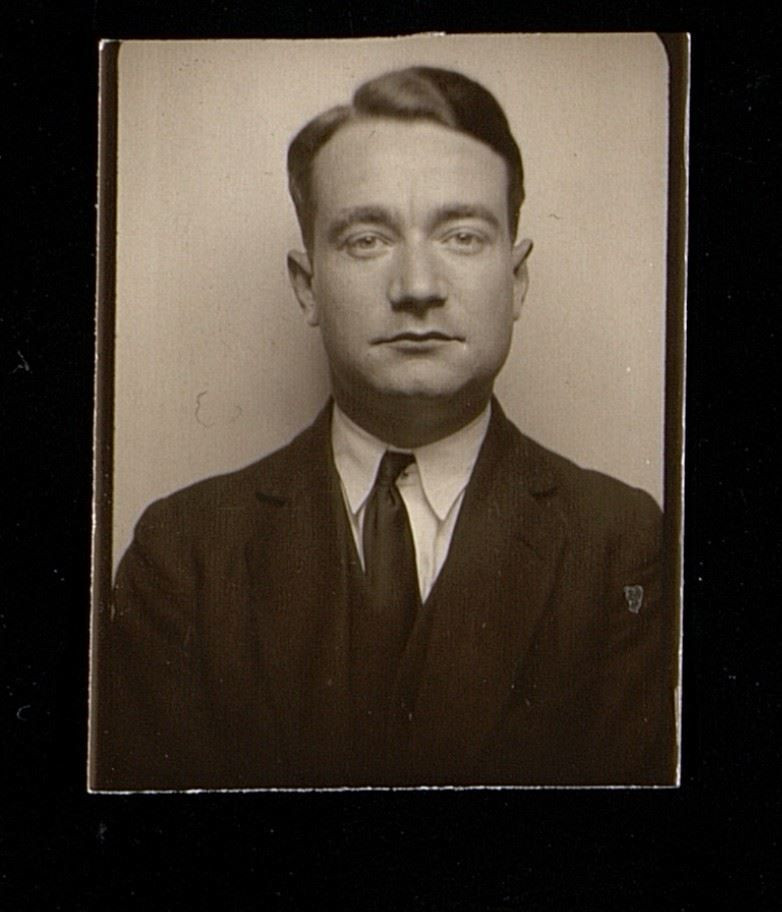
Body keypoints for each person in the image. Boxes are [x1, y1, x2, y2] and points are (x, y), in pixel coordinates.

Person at [91, 66, 677, 790]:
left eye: (462, 236)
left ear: (516, 279)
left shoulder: (621, 546)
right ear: (308, 285)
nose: (417, 287)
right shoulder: (183, 555)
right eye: (367, 240)